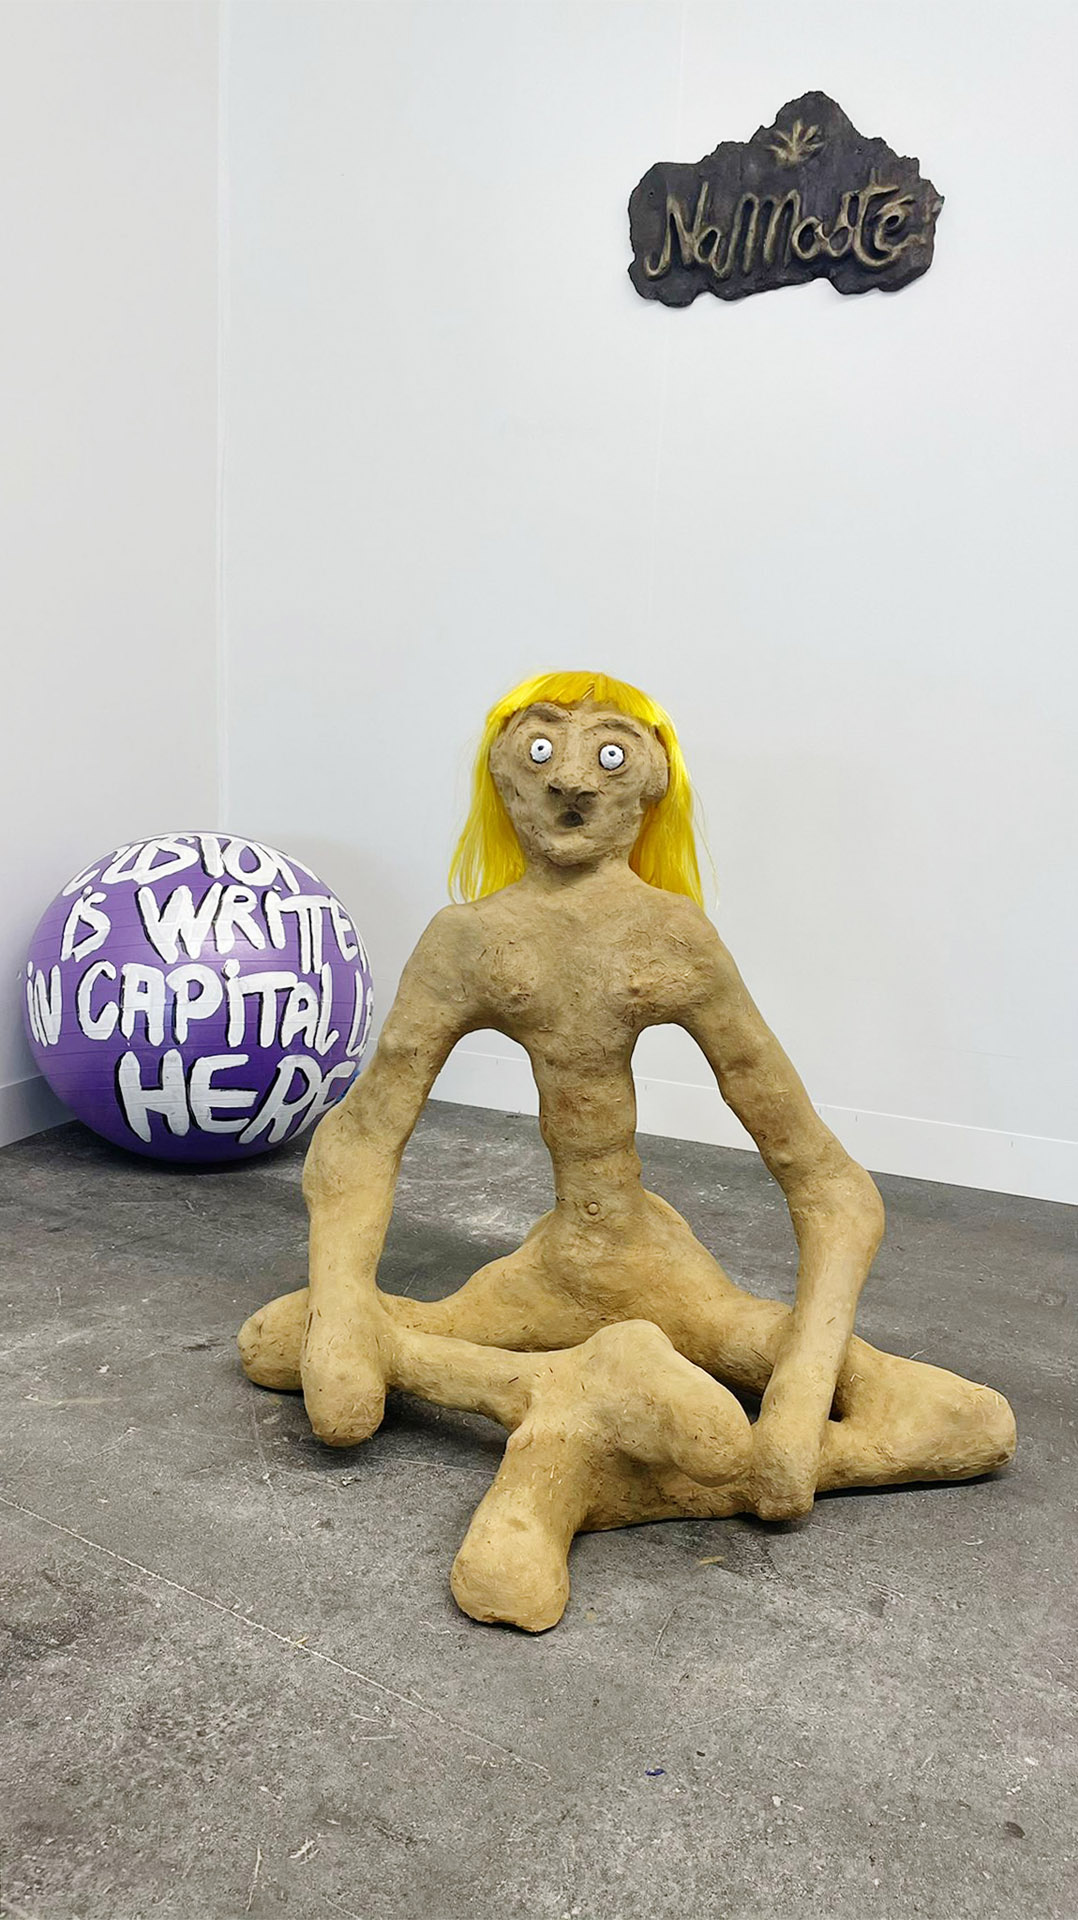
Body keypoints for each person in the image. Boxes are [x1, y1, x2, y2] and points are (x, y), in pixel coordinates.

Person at [239, 671, 1015, 1526]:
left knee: (971, 1421)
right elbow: (360, 1140)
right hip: (549, 1275)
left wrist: (797, 1401)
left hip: (666, 1278)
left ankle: (590, 1445)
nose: (571, 780)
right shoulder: (468, 942)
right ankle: (580, 1391)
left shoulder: (673, 938)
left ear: (653, 781)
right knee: (280, 1343)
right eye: (540, 749)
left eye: (610, 754)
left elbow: (833, 1188)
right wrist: (344, 1305)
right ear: (502, 774)